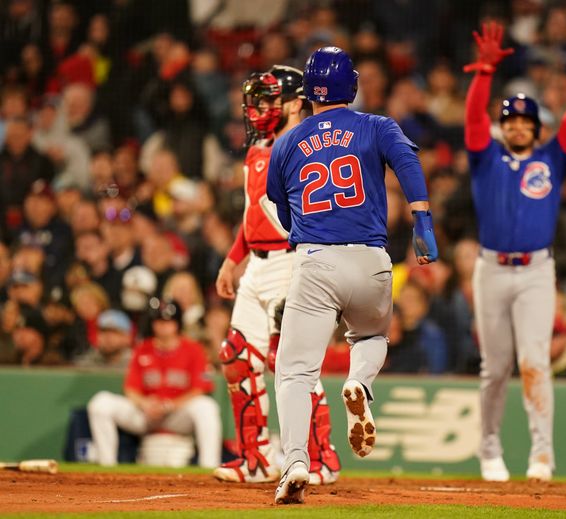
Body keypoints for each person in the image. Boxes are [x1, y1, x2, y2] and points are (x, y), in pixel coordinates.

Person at [267, 46, 438, 504]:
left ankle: (297, 462)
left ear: (308, 91)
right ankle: (360, 382)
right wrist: (422, 220)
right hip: (371, 258)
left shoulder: (286, 142)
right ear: (353, 84)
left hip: (315, 260)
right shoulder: (377, 126)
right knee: (372, 337)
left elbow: (283, 213)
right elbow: (408, 165)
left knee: (296, 373)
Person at [462, 20, 566, 482]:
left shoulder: (552, 157)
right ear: (502, 126)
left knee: (535, 362)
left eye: (527, 121)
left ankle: (542, 455)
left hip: (536, 272)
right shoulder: (486, 156)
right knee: (495, 367)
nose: (520, 127)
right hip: (491, 269)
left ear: (537, 127)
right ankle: (489, 450)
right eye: (512, 121)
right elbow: (470, 120)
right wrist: (483, 74)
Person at [212, 67, 341, 486]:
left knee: (289, 364)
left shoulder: (307, 144)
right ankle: (257, 458)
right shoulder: (257, 149)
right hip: (257, 266)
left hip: (291, 261)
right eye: (256, 100)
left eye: (269, 100)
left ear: (293, 103)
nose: (258, 108)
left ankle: (323, 458)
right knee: (236, 356)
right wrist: (233, 260)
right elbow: (253, 215)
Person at [86, 298, 221, 468]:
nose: (163, 326)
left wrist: (170, 405)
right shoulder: (143, 348)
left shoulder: (193, 349)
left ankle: (209, 467)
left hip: (176, 414)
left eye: (168, 321)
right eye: (158, 321)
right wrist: (145, 404)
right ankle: (107, 467)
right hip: (146, 414)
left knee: (206, 407)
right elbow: (131, 389)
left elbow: (200, 389)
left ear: (177, 323)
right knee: (100, 403)